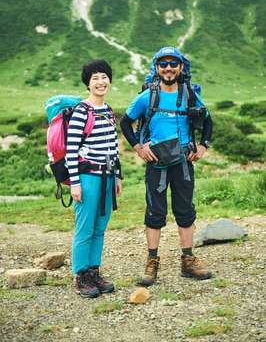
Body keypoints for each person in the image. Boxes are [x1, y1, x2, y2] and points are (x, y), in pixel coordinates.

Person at [120, 46, 213, 286]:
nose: (169, 68)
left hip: (183, 161)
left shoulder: (189, 93)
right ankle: (152, 262)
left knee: (184, 210)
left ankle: (188, 261)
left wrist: (203, 146)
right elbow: (125, 122)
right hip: (157, 162)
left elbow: (208, 120)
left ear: (181, 67)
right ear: (157, 68)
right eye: (163, 64)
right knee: (155, 212)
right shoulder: (148, 96)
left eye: (173, 63)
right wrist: (138, 148)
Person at [66, 59, 122, 298]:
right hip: (88, 177)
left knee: (100, 228)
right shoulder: (81, 111)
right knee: (85, 228)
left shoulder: (108, 110)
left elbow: (114, 146)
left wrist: (118, 176)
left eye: (104, 77)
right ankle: (81, 276)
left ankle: (94, 271)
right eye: (95, 78)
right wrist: (75, 183)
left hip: (108, 177)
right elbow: (71, 150)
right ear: (88, 84)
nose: (101, 82)